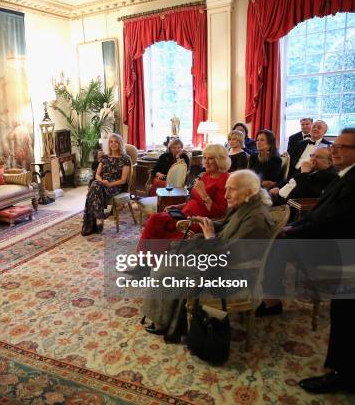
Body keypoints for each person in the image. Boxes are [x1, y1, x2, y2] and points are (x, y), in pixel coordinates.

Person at [269, 128, 355, 394]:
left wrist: (294, 232)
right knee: (274, 244)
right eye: (335, 145)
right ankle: (272, 300)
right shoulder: (344, 176)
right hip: (325, 238)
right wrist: (294, 228)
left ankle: (344, 375)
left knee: (274, 246)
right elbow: (317, 212)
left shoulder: (351, 180)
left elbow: (334, 222)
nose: (335, 149)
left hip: (338, 252)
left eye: (343, 146)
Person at [141, 170, 274, 341]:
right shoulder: (247, 204)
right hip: (219, 260)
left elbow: (230, 257)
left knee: (165, 269)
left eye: (231, 190)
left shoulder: (256, 219)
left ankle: (162, 322)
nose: (226, 195)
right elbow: (227, 224)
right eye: (226, 189)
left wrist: (210, 237)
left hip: (231, 275)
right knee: (170, 256)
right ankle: (167, 317)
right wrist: (207, 222)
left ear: (249, 191)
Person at [140, 144, 230, 242]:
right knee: (155, 219)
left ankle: (150, 254)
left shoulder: (225, 180)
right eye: (204, 158)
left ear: (220, 160)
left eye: (210, 158)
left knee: (156, 220)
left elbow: (219, 214)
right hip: (184, 213)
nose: (206, 162)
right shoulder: (206, 175)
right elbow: (195, 200)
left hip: (196, 221)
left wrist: (203, 193)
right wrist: (178, 206)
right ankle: (150, 254)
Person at [82, 133, 131, 236]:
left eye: (116, 142)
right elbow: (97, 174)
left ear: (120, 144)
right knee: (95, 185)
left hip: (115, 186)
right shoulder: (104, 157)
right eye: (111, 142)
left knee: (93, 190)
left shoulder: (125, 158)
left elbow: (123, 180)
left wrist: (109, 184)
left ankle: (91, 224)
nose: (113, 144)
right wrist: (101, 181)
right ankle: (99, 217)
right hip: (101, 183)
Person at [269, 147, 337, 205]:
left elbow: (305, 194)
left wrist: (304, 172)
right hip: (277, 197)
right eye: (312, 155)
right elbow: (290, 180)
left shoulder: (329, 176)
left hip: (287, 206)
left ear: (329, 162)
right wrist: (278, 187)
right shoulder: (311, 168)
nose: (313, 159)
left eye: (318, 157)